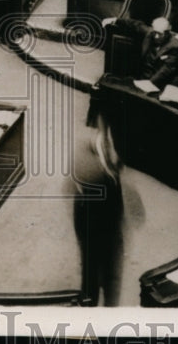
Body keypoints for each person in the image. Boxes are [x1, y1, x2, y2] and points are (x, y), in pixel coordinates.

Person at [70, 109, 124, 306]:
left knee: (110, 276)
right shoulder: (88, 162)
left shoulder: (107, 144)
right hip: (93, 225)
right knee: (92, 272)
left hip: (109, 224)